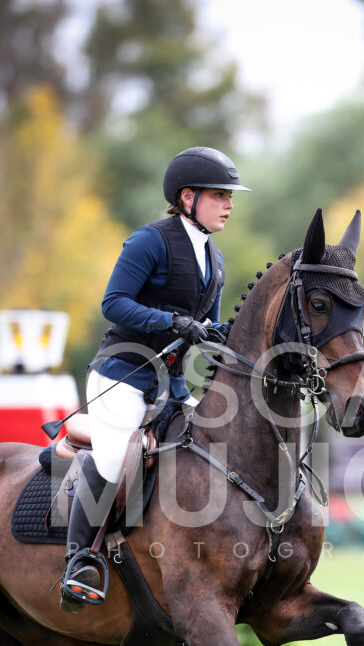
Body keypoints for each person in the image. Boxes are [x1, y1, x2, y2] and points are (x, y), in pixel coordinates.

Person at [60, 146, 251, 613]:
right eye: (220, 195)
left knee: (211, 450)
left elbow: (208, 329)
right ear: (188, 197)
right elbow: (114, 303)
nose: (229, 204)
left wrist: (231, 334)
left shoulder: (215, 259)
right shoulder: (150, 241)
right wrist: (172, 321)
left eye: (230, 196)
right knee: (113, 460)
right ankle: (79, 562)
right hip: (122, 375)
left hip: (172, 387)